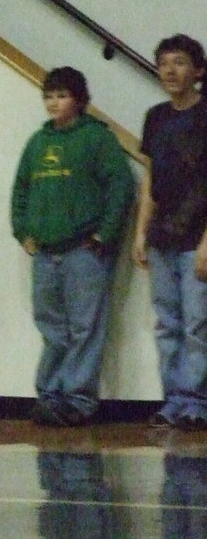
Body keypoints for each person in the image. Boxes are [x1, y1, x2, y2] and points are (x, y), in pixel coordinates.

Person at [11, 67, 134, 427]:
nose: (54, 103)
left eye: (62, 96)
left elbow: (120, 187)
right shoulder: (37, 143)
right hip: (45, 253)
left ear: (79, 100)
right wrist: (22, 231)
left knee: (85, 329)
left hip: (84, 252)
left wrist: (104, 235)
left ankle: (78, 401)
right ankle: (50, 396)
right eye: (48, 96)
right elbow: (21, 190)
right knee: (51, 328)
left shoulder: (97, 139)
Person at [132, 33, 207, 431]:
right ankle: (173, 401)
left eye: (179, 63)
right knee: (167, 324)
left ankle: (196, 402)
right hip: (162, 235)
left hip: (196, 236)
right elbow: (150, 179)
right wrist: (140, 232)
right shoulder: (155, 117)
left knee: (197, 324)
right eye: (163, 63)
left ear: (198, 71)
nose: (170, 71)